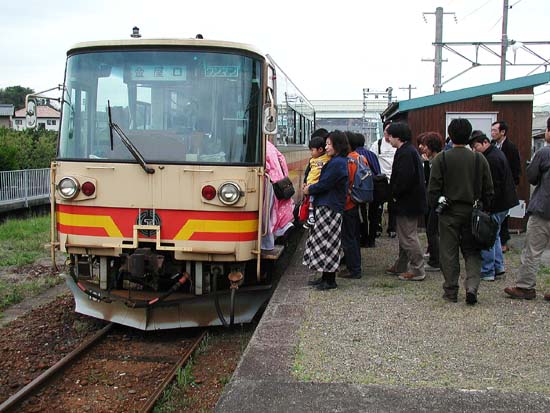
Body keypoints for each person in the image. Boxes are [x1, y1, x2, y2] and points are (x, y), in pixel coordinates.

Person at [428, 119, 494, 305]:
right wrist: (484, 206)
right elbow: (489, 189)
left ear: (450, 135)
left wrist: (437, 205)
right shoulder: (479, 159)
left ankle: (451, 290)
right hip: (473, 212)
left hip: (448, 212)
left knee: (448, 252)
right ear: (469, 136)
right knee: (472, 251)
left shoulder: (441, 158)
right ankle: (471, 287)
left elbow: (433, 190)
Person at [504, 117, 550, 301]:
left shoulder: (544, 153)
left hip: (544, 209)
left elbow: (531, 177)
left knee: (533, 250)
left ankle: (525, 287)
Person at [469, 130, 518, 281]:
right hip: (505, 202)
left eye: (476, 146)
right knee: (494, 235)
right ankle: (498, 267)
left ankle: (487, 270)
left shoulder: (491, 159)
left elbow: (493, 187)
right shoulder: (496, 153)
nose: (475, 150)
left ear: (485, 142)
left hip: (497, 204)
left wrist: (488, 207)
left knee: (487, 235)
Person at [303, 131, 349, 290]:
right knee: (323, 242)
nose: (326, 147)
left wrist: (310, 189)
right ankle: (325, 277)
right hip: (328, 205)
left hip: (330, 207)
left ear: (337, 145)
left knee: (328, 243)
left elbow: (325, 183)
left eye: (329, 144)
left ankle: (330, 280)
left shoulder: (337, 163)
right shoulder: (337, 161)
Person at [384, 122, 427, 282]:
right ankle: (401, 265)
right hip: (409, 201)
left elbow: (404, 179)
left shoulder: (406, 153)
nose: (388, 138)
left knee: (408, 237)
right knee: (405, 236)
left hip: (407, 202)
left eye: (390, 135)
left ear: (397, 136)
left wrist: (394, 193)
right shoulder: (407, 150)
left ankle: (417, 269)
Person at [339, 132, 369, 279]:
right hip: (358, 200)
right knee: (354, 236)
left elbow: (345, 183)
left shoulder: (348, 161)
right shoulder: (361, 158)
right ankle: (354, 264)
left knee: (348, 237)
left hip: (348, 202)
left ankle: (354, 269)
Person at [490, 120, 521, 254]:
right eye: (491, 130)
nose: (492, 133)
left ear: (502, 132)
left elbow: (516, 169)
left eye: (494, 131)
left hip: (506, 186)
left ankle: (503, 242)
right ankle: (498, 241)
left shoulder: (511, 148)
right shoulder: (492, 145)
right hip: (495, 186)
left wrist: (512, 185)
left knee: (504, 215)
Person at [261, 139, 295, 250]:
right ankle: (283, 228)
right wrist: (284, 177)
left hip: (268, 183)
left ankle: (266, 244)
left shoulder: (259, 145)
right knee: (274, 212)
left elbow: (266, 166)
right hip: (278, 183)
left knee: (266, 216)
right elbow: (282, 160)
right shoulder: (270, 145)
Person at [418, 131, 444, 272]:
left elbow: (431, 181)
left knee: (432, 231)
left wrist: (427, 163)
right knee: (433, 230)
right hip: (436, 200)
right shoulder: (435, 159)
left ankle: (435, 261)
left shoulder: (437, 160)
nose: (424, 148)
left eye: (426, 146)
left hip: (437, 201)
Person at [352, 132, 381, 248]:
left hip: (360, 189)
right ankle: (372, 240)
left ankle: (363, 238)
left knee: (361, 213)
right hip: (374, 186)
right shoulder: (371, 154)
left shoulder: (354, 156)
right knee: (374, 214)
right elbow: (377, 171)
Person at [370, 121, 397, 238]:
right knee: (378, 206)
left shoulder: (397, 144)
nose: (388, 134)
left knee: (393, 205)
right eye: (386, 131)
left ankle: (392, 228)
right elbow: (371, 160)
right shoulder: (377, 144)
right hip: (381, 180)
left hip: (394, 179)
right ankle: (378, 227)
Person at [302, 136, 331, 228]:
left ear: (320, 149)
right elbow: (307, 172)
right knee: (310, 200)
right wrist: (305, 181)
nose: (311, 153)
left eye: (312, 150)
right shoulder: (312, 160)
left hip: (317, 184)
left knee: (312, 200)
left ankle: (311, 217)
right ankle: (310, 217)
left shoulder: (327, 158)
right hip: (310, 184)